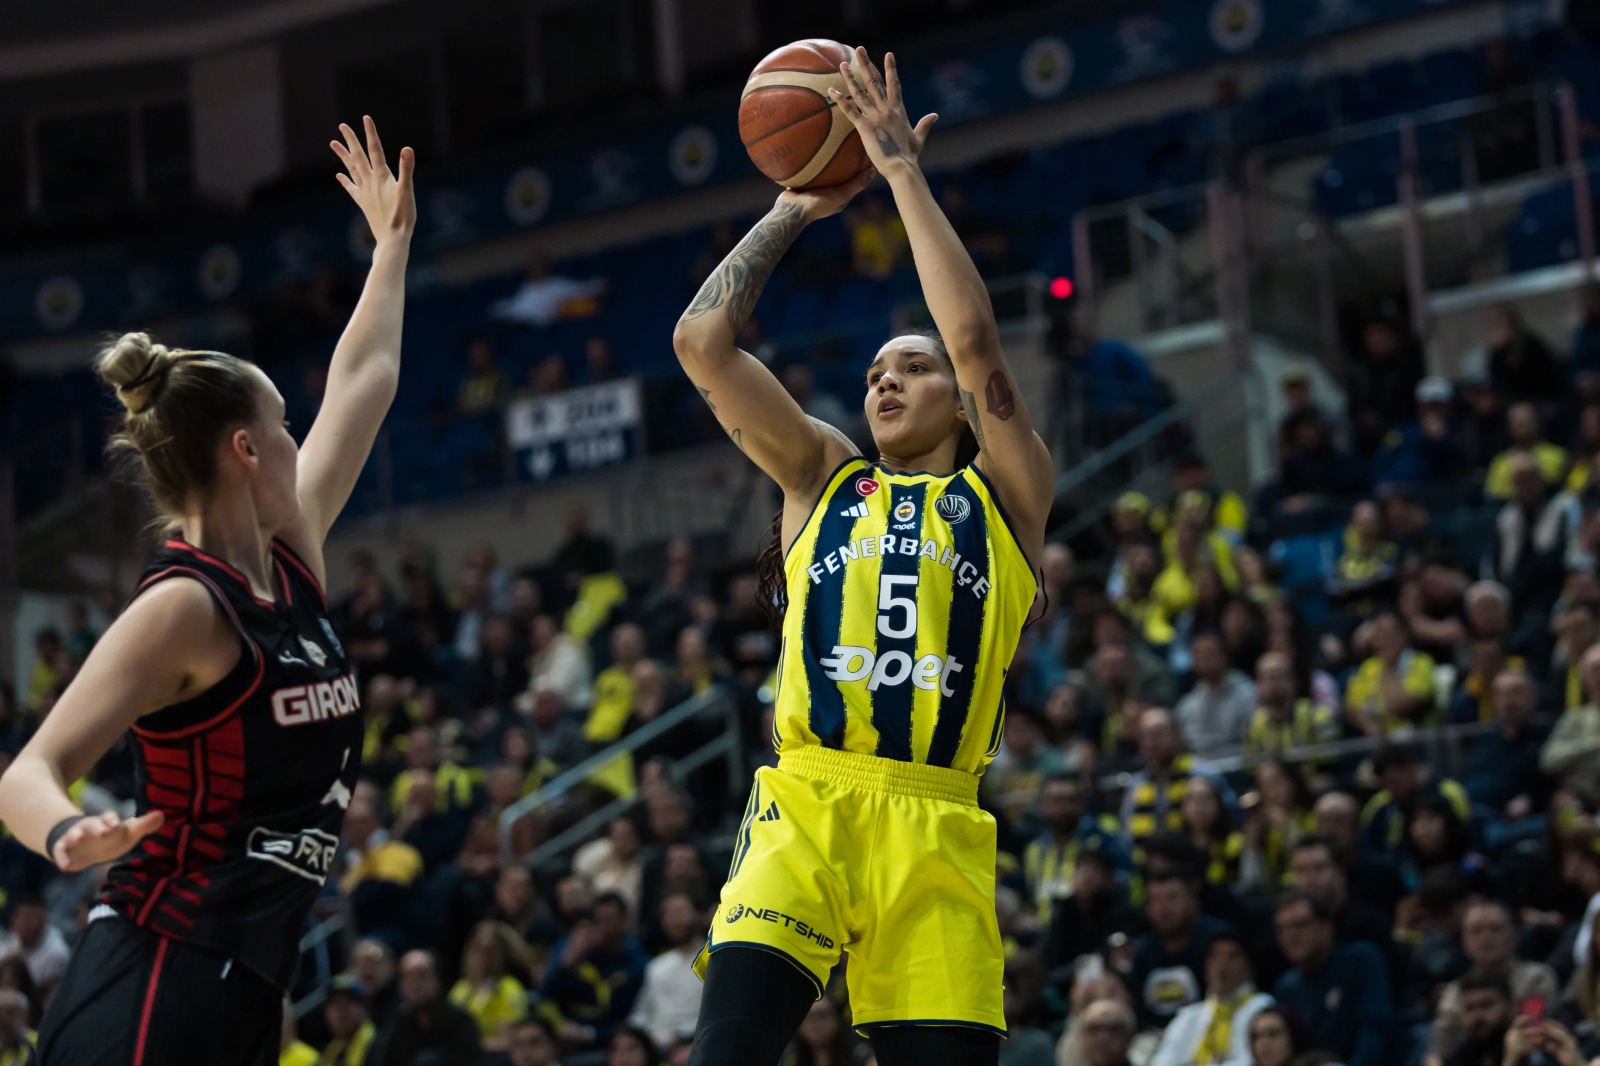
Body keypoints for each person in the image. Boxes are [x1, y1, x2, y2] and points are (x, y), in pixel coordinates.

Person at [0, 118, 415, 1066]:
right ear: (245, 449)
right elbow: (27, 771)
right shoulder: (184, 608)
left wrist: (391, 246)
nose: (299, 440)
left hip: (247, 982)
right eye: (285, 424)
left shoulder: (292, 552)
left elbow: (366, 377)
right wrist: (69, 832)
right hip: (157, 971)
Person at [673, 48, 1053, 1066]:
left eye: (912, 369)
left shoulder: (1006, 496)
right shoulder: (821, 477)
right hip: (807, 800)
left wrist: (897, 173)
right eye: (877, 370)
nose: (885, 381)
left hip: (936, 822)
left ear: (959, 406)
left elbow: (974, 340)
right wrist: (794, 207)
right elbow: (701, 344)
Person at [1426, 900, 1557, 1066]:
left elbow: (1534, 1031)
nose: (1486, 937)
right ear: (1464, 941)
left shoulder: (1536, 977)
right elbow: (1437, 1050)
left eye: (1495, 929)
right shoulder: (1454, 991)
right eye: (1476, 931)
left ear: (1514, 934)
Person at [1270, 892, 1390, 1066]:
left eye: (1299, 925)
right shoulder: (1285, 987)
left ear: (1327, 927)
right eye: (1282, 929)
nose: (1290, 936)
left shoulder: (1360, 961)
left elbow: (1373, 1030)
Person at [1148, 931, 1272, 1066]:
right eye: (1214, 956)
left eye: (1232, 956)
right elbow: (1163, 1060)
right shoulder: (1190, 1015)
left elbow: (1252, 1060)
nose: (1222, 965)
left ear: (1249, 966)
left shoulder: (1262, 1008)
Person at [374, 950, 482, 1066]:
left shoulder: (461, 1021)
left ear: (438, 980)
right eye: (408, 977)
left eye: (422, 976)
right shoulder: (398, 1022)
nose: (415, 984)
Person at [320, 974, 378, 1066]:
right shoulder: (331, 1051)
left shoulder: (378, 1047)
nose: (339, 1010)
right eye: (333, 1003)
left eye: (346, 1002)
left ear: (364, 1009)